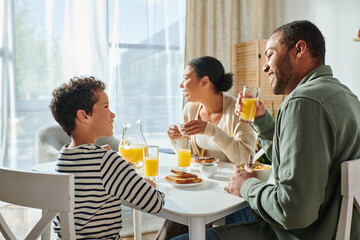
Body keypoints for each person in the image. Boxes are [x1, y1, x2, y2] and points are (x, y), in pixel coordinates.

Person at [173, 20, 360, 240]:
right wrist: (262, 120)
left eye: (270, 54)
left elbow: (293, 212)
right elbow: (294, 161)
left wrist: (247, 185)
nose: (265, 66)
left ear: (299, 49)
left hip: (297, 234)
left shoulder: (303, 102)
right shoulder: (345, 95)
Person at [49, 76, 165, 239]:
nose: (113, 114)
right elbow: (155, 203)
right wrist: (150, 186)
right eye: (106, 107)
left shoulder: (64, 157)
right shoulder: (107, 160)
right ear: (84, 116)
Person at [156, 56, 257, 240]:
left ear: (204, 81)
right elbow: (192, 156)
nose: (181, 85)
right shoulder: (190, 109)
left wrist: (210, 130)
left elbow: (245, 157)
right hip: (205, 183)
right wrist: (177, 139)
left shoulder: (237, 110)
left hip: (232, 188)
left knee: (187, 212)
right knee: (179, 210)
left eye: (186, 78)